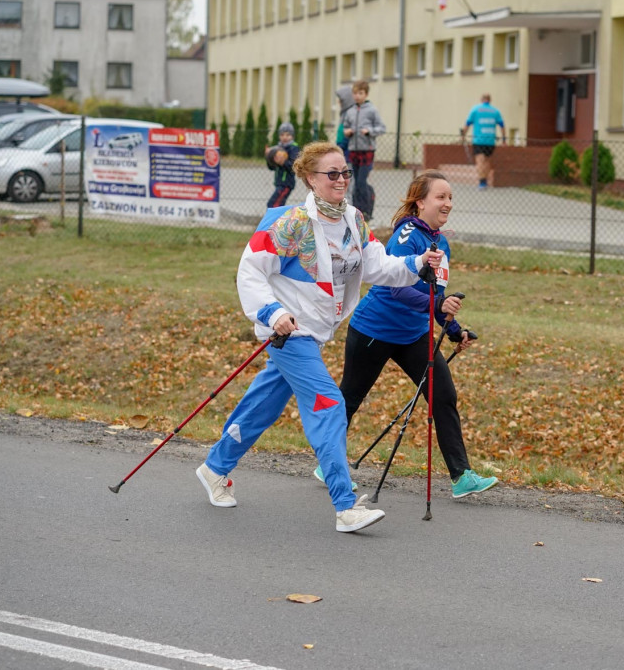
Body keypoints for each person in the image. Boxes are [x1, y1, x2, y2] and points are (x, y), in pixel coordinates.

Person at [196, 142, 444, 533]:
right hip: (289, 333)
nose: (342, 180)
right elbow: (250, 271)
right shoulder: (290, 222)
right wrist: (272, 312)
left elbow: (377, 266)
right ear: (310, 179)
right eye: (332, 174)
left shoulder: (353, 220)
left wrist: (415, 263)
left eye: (345, 172)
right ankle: (346, 506)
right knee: (329, 407)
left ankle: (215, 467)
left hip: (313, 335)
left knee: (262, 406)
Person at [314, 170, 499, 499]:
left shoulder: (441, 244)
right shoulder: (406, 235)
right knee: (350, 399)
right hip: (375, 329)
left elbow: (434, 299)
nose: (448, 203)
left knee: (443, 395)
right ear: (420, 202)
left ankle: (461, 476)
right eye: (441, 197)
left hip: (414, 334)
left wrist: (455, 331)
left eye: (450, 198)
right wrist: (439, 303)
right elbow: (398, 291)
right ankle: (328, 465)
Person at [342, 80, 385, 221]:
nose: (357, 96)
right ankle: (356, 210)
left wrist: (369, 131)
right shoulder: (350, 111)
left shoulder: (372, 110)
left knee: (361, 182)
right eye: (355, 93)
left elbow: (381, 128)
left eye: (360, 93)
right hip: (353, 150)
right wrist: (347, 131)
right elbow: (344, 128)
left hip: (367, 150)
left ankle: (366, 211)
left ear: (366, 94)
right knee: (354, 182)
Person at [461, 94, 506, 190]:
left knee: (480, 160)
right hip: (490, 140)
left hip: (479, 140)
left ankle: (482, 182)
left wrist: (463, 135)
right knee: (487, 160)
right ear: (490, 100)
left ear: (482, 100)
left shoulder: (475, 109)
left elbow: (468, 123)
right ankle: (485, 180)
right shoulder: (495, 111)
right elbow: (502, 125)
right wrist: (504, 139)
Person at [265, 122, 300, 208]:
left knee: (273, 205)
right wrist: (268, 157)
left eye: (288, 135)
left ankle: (274, 221)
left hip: (286, 184)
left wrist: (282, 162)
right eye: (282, 134)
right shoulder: (277, 148)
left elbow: (293, 166)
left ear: (292, 136)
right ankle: (278, 221)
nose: (285, 137)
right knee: (276, 205)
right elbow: (272, 167)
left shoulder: (294, 148)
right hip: (279, 183)